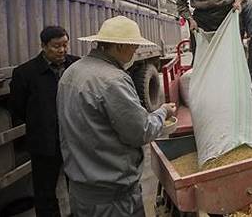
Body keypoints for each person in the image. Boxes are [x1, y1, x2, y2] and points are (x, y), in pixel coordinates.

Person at [57, 16, 176, 217]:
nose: (135, 52)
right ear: (120, 46)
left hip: (80, 193)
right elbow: (140, 131)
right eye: (133, 46)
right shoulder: (113, 80)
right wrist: (163, 111)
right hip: (113, 199)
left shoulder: (71, 72)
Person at [10, 26, 79, 217]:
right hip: (44, 143)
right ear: (43, 46)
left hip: (74, 140)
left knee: (78, 188)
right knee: (45, 194)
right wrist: (43, 121)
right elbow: (18, 108)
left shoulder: (77, 66)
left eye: (65, 45)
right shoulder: (25, 73)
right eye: (56, 46)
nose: (62, 50)